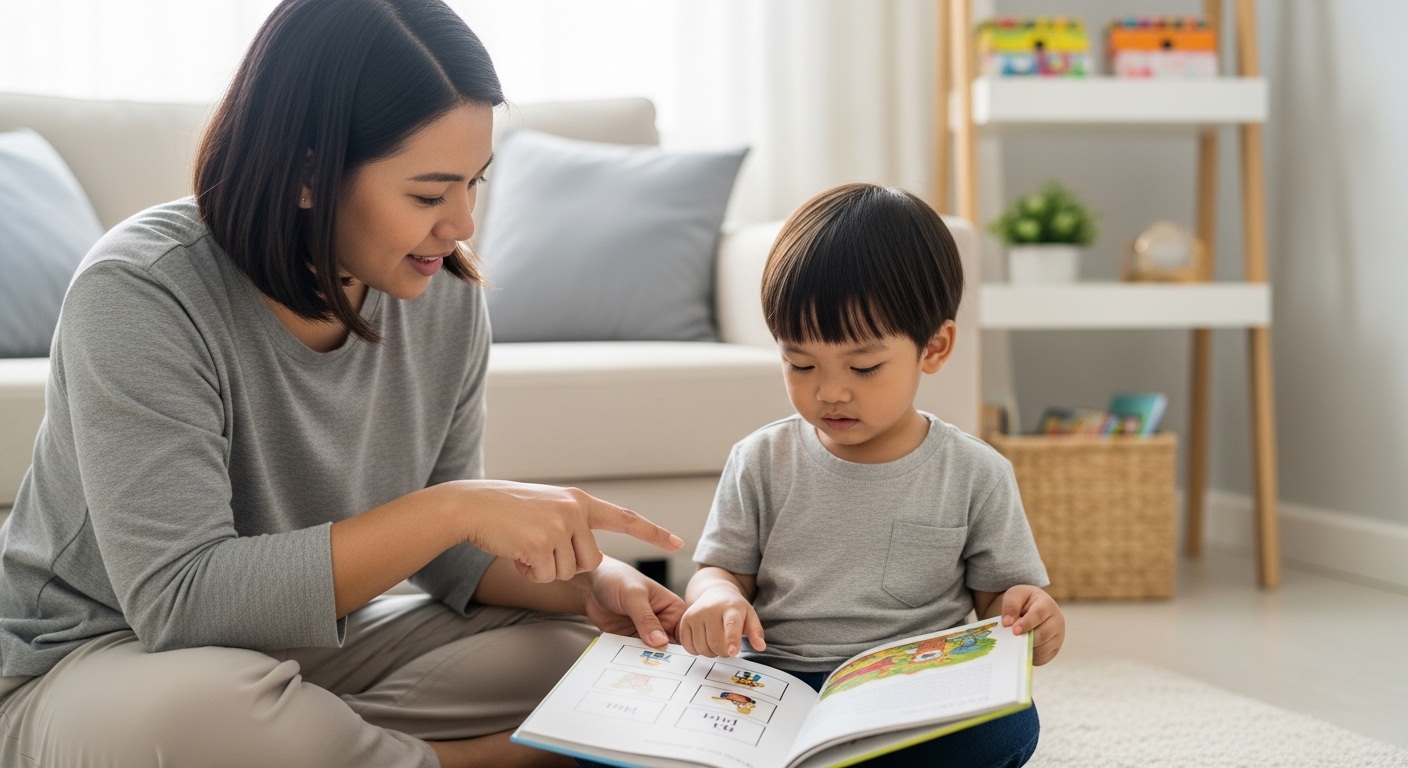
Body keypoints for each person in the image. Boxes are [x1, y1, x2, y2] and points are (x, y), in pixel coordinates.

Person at [0, 1, 686, 766]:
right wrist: (456, 507)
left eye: (474, 184)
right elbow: (180, 602)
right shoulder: (141, 291)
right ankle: (485, 758)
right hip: (105, 657)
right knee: (197, 719)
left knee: (573, 653)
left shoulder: (445, 299)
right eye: (428, 194)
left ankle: (335, 746)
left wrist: (594, 583)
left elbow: (447, 557)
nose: (461, 223)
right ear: (305, 175)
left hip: (313, 646)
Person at [677, 183, 1066, 767]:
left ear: (933, 348)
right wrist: (712, 599)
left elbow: (998, 602)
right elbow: (723, 572)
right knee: (670, 724)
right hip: (783, 680)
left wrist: (1032, 612)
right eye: (799, 363)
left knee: (1009, 726)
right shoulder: (760, 460)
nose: (829, 390)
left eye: (863, 366)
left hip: (913, 685)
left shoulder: (975, 471)